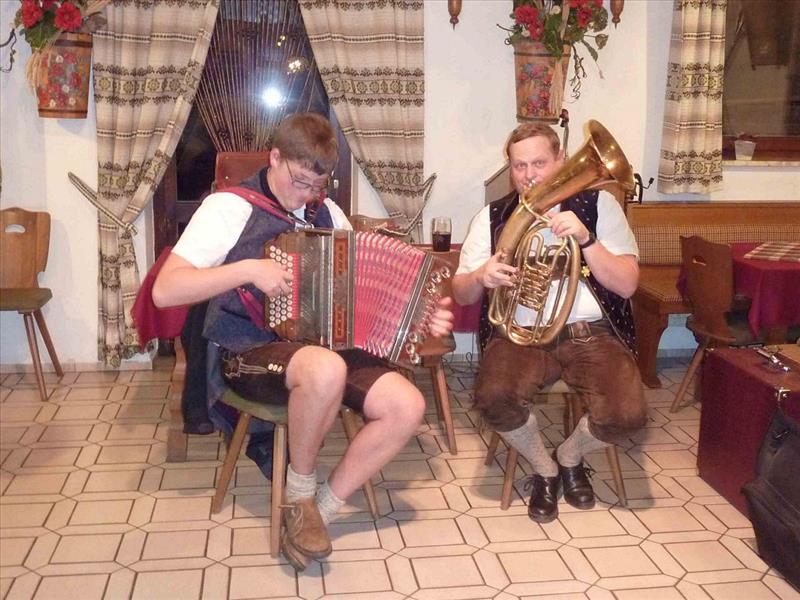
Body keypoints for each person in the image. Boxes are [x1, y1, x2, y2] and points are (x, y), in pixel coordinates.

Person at [152, 112, 454, 570]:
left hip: (327, 348)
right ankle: (300, 492)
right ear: (275, 157)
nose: (306, 195)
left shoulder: (327, 213)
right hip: (246, 350)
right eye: (299, 182)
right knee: (325, 368)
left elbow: (361, 288)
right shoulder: (229, 207)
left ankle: (318, 511)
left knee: (407, 406)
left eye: (317, 185)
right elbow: (165, 290)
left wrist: (421, 316)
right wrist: (248, 269)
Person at [452, 122, 646, 523]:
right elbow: (461, 293)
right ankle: (546, 468)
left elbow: (627, 285)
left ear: (561, 160)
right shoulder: (491, 217)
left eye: (539, 163)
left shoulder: (600, 207)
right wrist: (481, 276)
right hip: (519, 336)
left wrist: (588, 241)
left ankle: (570, 455)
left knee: (627, 414)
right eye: (519, 166)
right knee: (493, 398)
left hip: (589, 334)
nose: (529, 175)